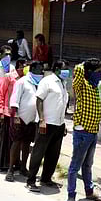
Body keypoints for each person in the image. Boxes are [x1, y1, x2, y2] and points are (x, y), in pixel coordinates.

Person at [66, 58, 101, 201]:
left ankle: (89, 191)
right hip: (82, 131)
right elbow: (77, 69)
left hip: (92, 131)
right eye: (97, 72)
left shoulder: (94, 86)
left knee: (88, 165)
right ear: (89, 72)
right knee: (75, 165)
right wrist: (85, 65)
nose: (100, 74)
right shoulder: (81, 85)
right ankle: (71, 196)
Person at [26, 60, 69, 192]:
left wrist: (64, 123)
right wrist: (42, 120)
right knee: (39, 152)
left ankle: (46, 178)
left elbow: (62, 104)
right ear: (56, 69)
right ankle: (31, 180)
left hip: (59, 123)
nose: (66, 71)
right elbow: (39, 99)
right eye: (64, 69)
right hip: (47, 123)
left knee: (53, 153)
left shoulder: (63, 83)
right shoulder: (47, 81)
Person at [6, 61, 44, 182]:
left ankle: (23, 167)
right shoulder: (22, 81)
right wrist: (16, 114)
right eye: (39, 68)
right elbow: (15, 98)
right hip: (20, 117)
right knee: (16, 143)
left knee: (27, 144)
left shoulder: (40, 83)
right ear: (33, 69)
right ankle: (11, 169)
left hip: (32, 119)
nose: (41, 71)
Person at [0, 58, 28, 172]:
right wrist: (1, 110)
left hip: (21, 113)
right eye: (25, 65)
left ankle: (17, 163)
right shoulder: (9, 77)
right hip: (8, 112)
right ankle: (5, 164)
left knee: (19, 141)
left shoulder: (26, 79)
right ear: (20, 65)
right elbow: (1, 93)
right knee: (7, 140)